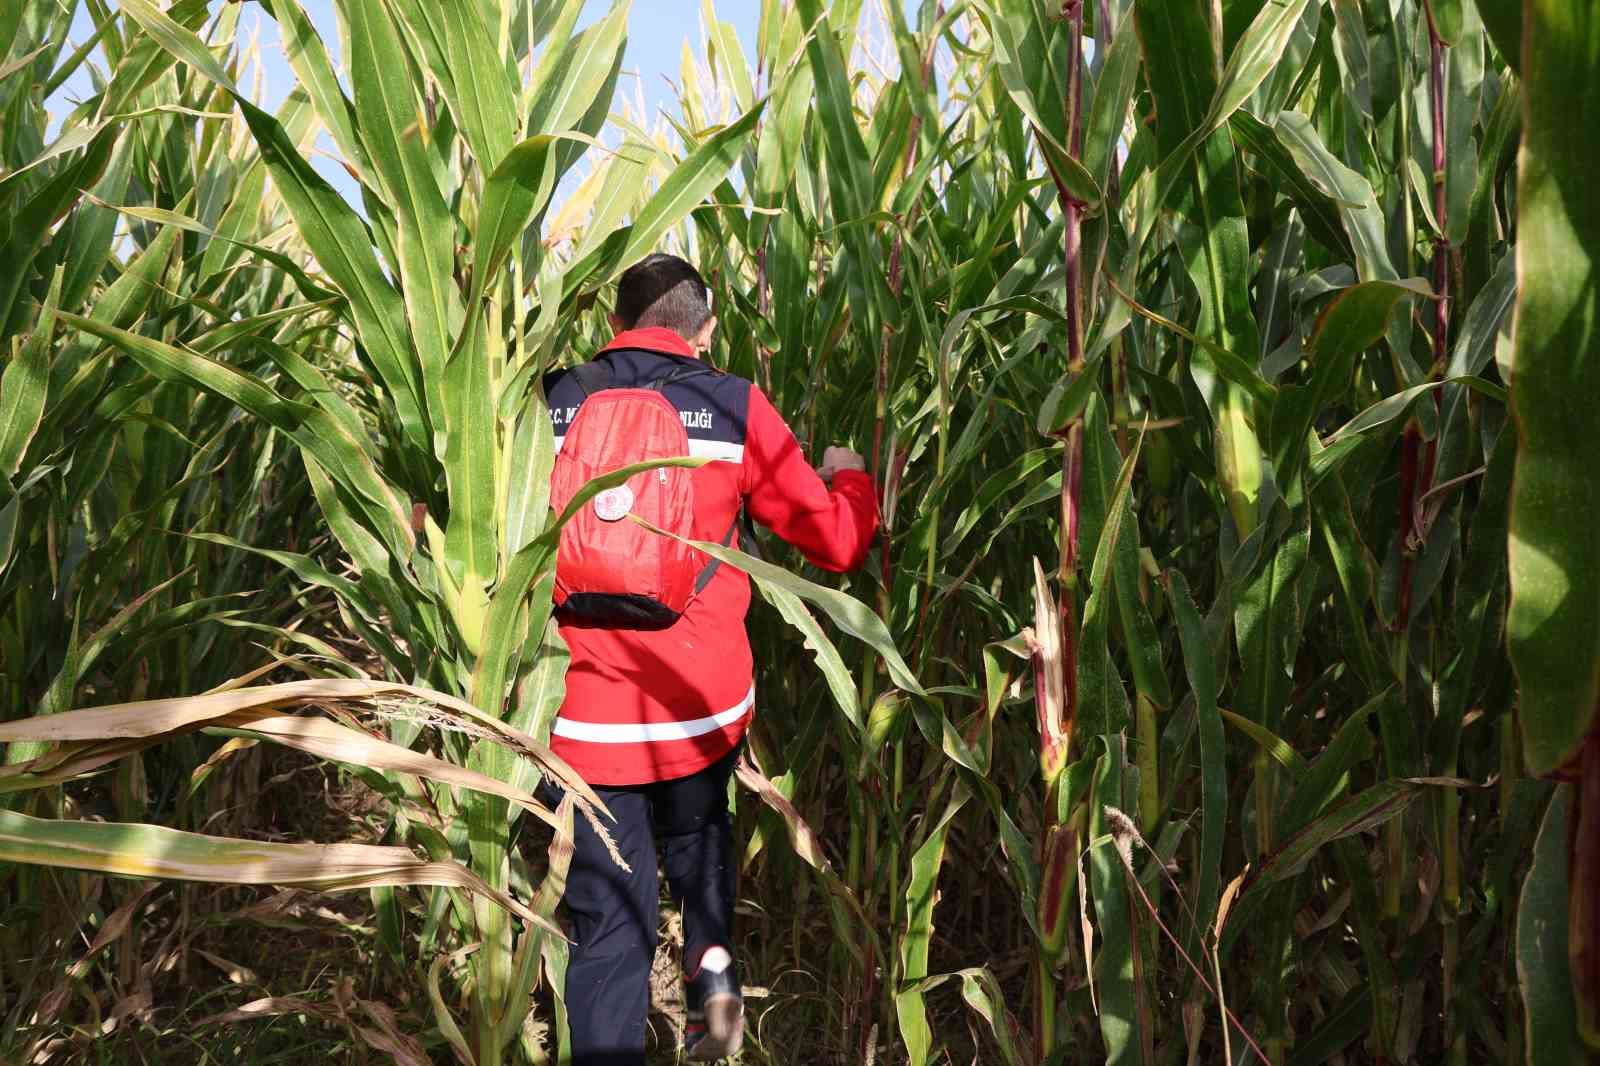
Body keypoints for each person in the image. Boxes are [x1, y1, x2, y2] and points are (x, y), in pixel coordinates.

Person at [539, 253, 878, 1064]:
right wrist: (854, 479)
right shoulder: (731, 405)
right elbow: (835, 544)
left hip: (580, 718)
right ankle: (714, 983)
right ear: (707, 326)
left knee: (608, 924)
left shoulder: (551, 400)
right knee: (699, 843)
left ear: (613, 326)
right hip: (700, 707)